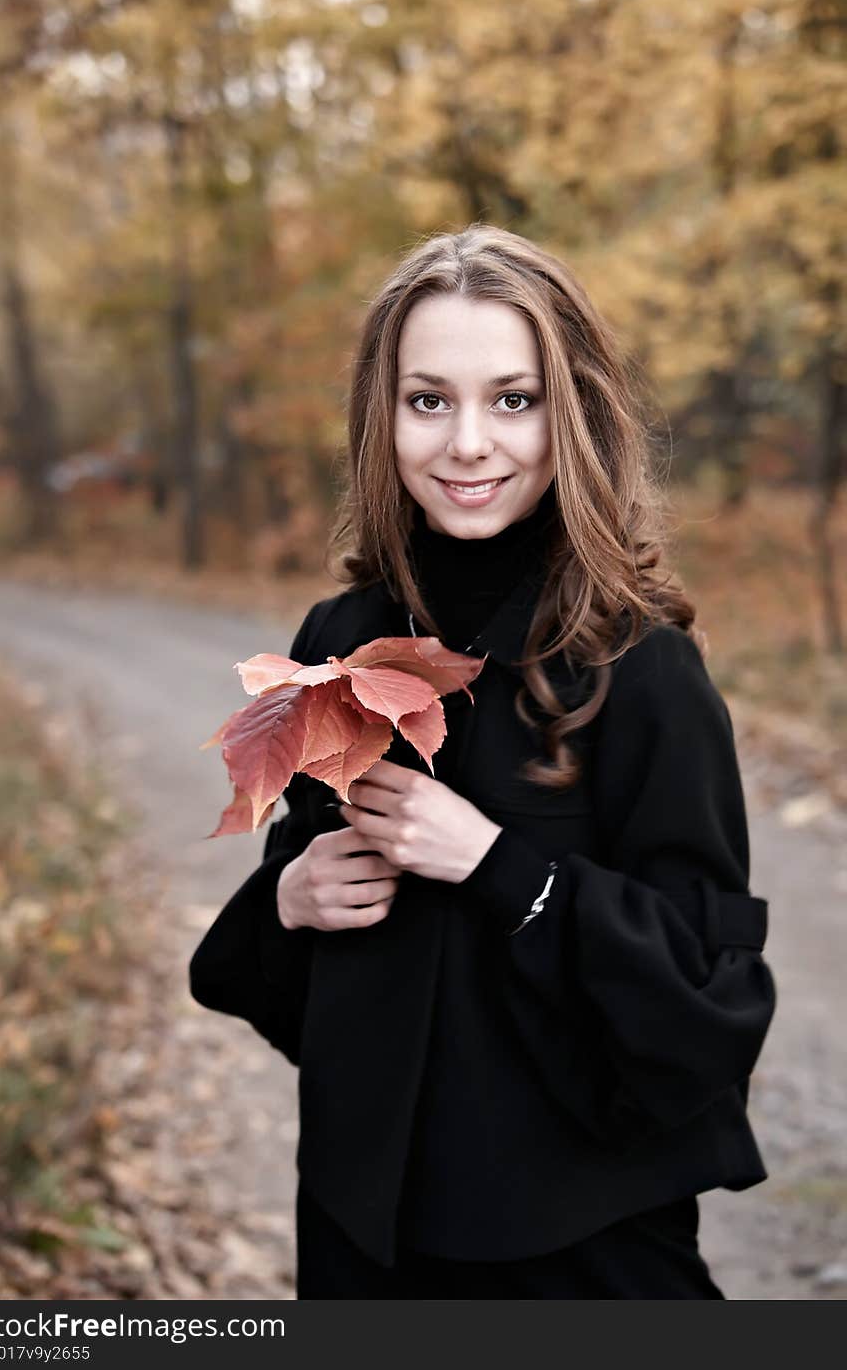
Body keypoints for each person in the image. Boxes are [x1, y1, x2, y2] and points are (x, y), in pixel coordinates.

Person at [189, 224, 776, 1299]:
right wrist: (291, 898)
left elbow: (709, 1007)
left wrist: (501, 866)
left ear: (572, 412)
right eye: (428, 400)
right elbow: (281, 986)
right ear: (384, 414)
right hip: (366, 1237)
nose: (467, 443)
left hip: (580, 1246)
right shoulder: (339, 637)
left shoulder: (637, 665)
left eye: (512, 399)